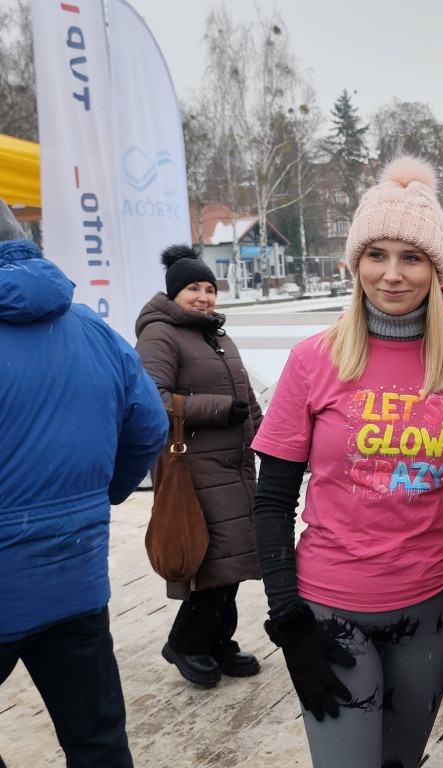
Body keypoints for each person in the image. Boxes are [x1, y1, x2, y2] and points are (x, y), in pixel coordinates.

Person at [250, 156, 443, 768]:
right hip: (330, 608)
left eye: (412, 257)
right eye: (376, 255)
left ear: (438, 269)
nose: (392, 274)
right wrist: (286, 619)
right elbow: (273, 499)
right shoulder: (313, 360)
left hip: (430, 609)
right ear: (355, 262)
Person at [0, 198, 167, 767]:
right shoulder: (91, 327)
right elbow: (149, 428)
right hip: (74, 579)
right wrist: (100, 495)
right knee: (98, 744)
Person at [135, 245, 264, 687]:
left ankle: (216, 640)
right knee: (213, 559)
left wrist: (269, 435)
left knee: (232, 560)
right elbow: (149, 398)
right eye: (193, 288)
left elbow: (244, 396)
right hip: (193, 467)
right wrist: (217, 408)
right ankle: (186, 642)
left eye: (210, 288)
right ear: (175, 293)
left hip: (234, 464)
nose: (204, 296)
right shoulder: (160, 335)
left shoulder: (215, 335)